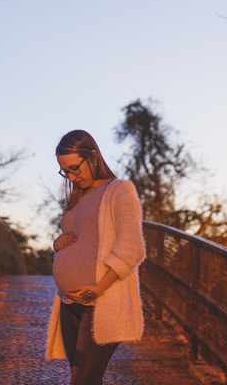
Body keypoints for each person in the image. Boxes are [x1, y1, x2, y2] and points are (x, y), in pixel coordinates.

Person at [45, 129, 146, 385]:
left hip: (101, 301)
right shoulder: (77, 198)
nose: (71, 176)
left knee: (83, 379)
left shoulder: (119, 191)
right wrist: (58, 244)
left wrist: (97, 290)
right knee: (85, 379)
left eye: (75, 168)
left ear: (93, 156)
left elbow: (132, 247)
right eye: (65, 171)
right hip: (69, 303)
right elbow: (78, 239)